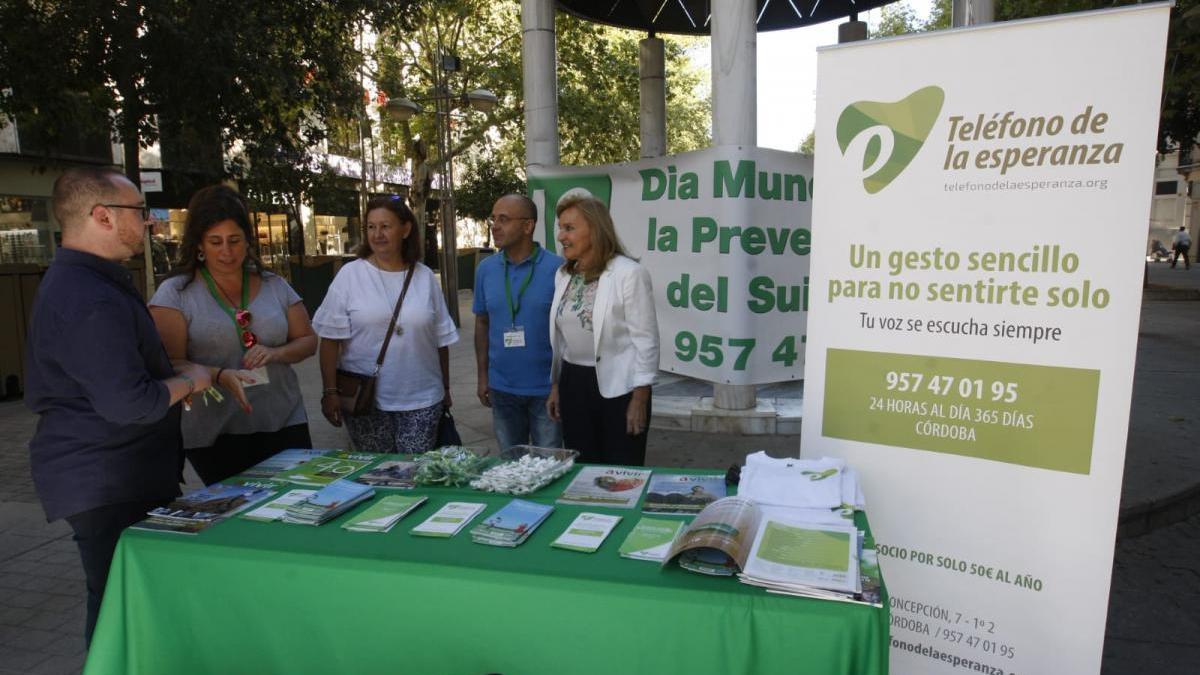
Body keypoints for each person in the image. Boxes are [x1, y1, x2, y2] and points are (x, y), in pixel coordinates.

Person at [25, 167, 212, 644]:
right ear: (103, 216)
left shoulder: (93, 281)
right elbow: (131, 402)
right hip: (107, 479)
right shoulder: (87, 294)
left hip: (120, 473)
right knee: (118, 608)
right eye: (139, 211)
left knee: (126, 601)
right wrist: (188, 381)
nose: (148, 222)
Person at [149, 185, 317, 485]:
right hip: (216, 431)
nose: (226, 252)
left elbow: (308, 341)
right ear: (199, 244)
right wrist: (218, 374)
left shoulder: (274, 284)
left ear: (248, 241)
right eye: (216, 242)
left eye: (235, 240)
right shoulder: (176, 293)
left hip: (283, 419)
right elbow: (169, 362)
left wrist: (277, 352)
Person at [313, 195, 458, 453]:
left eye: (385, 226)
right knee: (379, 475)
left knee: (415, 475)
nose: (377, 234)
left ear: (405, 229)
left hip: (422, 399)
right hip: (365, 400)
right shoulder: (350, 275)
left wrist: (445, 387)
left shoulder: (424, 277)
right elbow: (330, 340)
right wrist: (330, 392)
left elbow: (440, 340)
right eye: (371, 227)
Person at [546, 191, 659, 465]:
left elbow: (646, 341)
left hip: (620, 389)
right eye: (561, 228)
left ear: (595, 230)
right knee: (582, 470)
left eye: (570, 228)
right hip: (574, 383)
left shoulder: (628, 273)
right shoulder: (563, 275)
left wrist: (640, 399)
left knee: (621, 472)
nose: (561, 236)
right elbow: (563, 341)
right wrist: (557, 386)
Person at [473, 194, 564, 450]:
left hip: (545, 390)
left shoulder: (558, 269)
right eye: (493, 218)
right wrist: (483, 376)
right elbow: (482, 323)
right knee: (510, 467)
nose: (495, 226)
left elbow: (567, 333)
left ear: (528, 226)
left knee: (549, 468)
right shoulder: (486, 269)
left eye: (504, 219)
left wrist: (559, 385)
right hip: (502, 388)